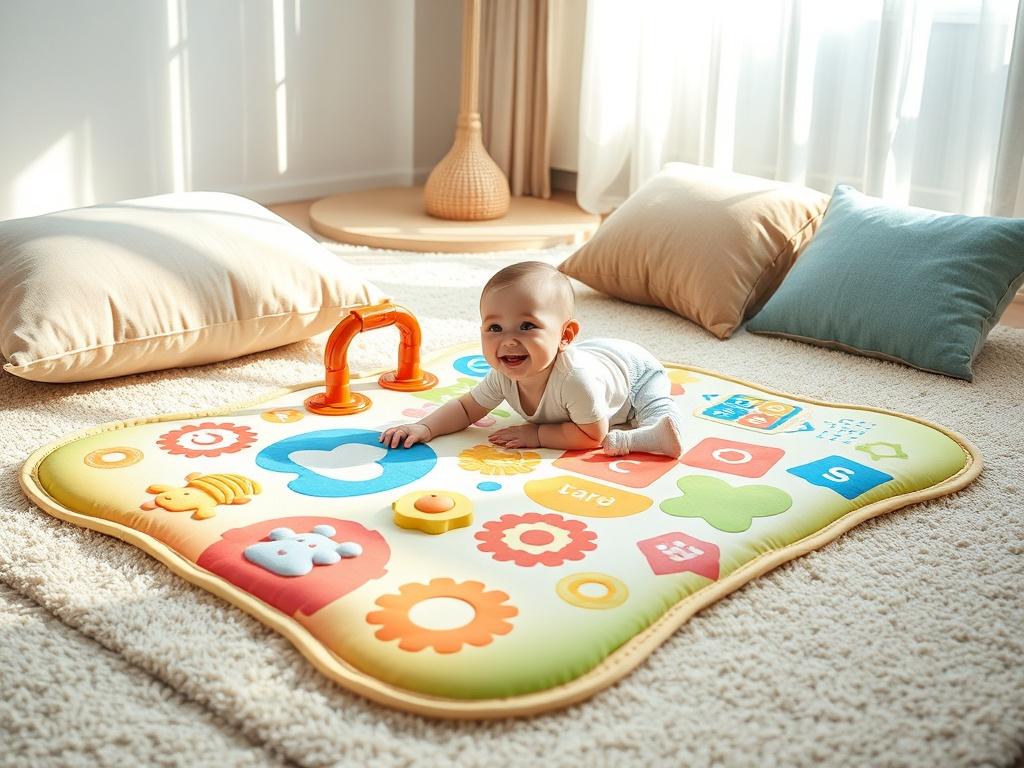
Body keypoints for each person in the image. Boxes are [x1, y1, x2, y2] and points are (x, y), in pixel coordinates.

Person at [379, 261, 684, 457]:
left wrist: (538, 434)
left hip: (635, 373)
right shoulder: (504, 373)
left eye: (527, 326)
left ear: (565, 336)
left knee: (656, 410)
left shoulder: (575, 380)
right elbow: (465, 407)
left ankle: (647, 438)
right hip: (598, 358)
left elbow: (594, 435)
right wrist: (425, 428)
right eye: (495, 328)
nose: (508, 340)